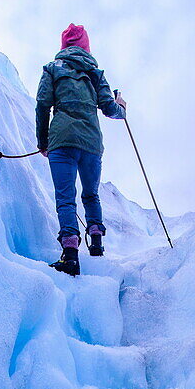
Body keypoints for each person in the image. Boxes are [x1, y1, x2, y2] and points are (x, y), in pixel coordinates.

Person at [36, 24, 127, 276]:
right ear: (86, 46)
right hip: (91, 143)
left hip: (61, 141)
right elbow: (110, 109)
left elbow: (43, 105)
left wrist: (43, 141)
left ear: (63, 46)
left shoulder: (52, 69)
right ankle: (96, 244)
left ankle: (71, 255)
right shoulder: (95, 73)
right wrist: (122, 108)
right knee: (91, 194)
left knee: (65, 197)